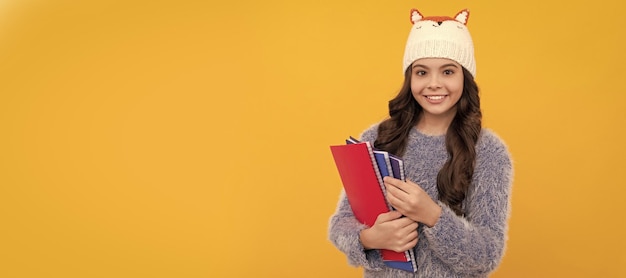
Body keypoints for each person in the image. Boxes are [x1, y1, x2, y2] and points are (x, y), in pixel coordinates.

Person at [328, 8, 513, 277]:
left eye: (448, 72)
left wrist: (433, 215)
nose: (434, 84)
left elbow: (487, 255)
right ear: (410, 78)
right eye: (422, 72)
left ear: (465, 77)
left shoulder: (488, 152)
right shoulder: (378, 138)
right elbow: (340, 225)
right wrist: (370, 239)